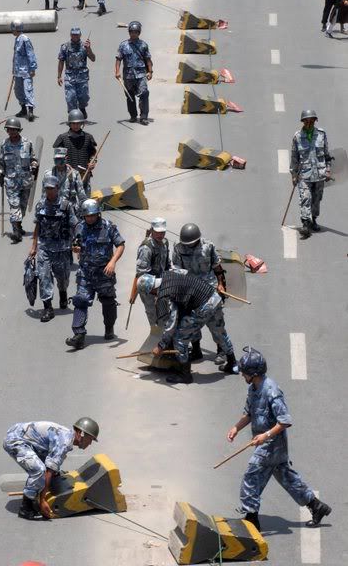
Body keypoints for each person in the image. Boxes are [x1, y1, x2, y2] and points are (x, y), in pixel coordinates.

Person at [227, 347, 331, 532]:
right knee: (286, 477)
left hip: (271, 445)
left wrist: (265, 436)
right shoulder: (253, 388)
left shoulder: (271, 390)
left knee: (251, 478)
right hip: (266, 444)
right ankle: (316, 506)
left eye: (244, 372)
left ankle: (251, 520)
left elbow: (285, 421)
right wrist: (236, 427)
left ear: (253, 373)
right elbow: (249, 413)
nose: (242, 375)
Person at [137, 269, 238, 384]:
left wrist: (161, 346)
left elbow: (171, 323)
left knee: (179, 339)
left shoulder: (165, 294)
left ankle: (185, 375)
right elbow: (185, 273)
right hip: (214, 297)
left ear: (151, 290)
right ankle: (232, 363)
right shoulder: (168, 274)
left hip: (203, 307)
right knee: (219, 332)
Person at [3, 417, 99, 520]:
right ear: (81, 433)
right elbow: (49, 470)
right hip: (15, 441)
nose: (90, 443)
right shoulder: (64, 442)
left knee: (52, 469)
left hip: (22, 436)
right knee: (40, 471)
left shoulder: (67, 436)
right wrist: (43, 500)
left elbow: (51, 462)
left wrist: (53, 474)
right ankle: (26, 508)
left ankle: (39, 489)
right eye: (90, 439)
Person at [66, 198, 125, 349]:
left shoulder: (108, 226)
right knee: (80, 300)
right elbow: (76, 243)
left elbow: (120, 245)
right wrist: (75, 248)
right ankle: (79, 335)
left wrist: (113, 262)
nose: (90, 218)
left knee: (108, 302)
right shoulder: (80, 227)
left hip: (104, 273)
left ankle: (109, 328)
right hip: (86, 272)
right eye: (87, 216)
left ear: (98, 214)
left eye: (93, 215)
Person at [172, 223, 230, 365]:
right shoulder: (178, 248)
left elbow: (217, 268)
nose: (189, 246)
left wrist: (221, 284)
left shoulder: (208, 246)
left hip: (210, 291)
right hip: (191, 292)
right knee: (191, 323)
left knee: (216, 322)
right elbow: (176, 269)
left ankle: (221, 351)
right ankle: (196, 350)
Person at [30, 176, 78, 321]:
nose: (49, 191)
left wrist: (77, 240)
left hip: (62, 249)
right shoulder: (40, 205)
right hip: (44, 247)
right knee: (44, 277)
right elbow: (37, 225)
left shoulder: (66, 205)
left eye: (52, 188)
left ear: (57, 188)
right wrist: (34, 246)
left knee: (62, 278)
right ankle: (48, 308)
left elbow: (75, 224)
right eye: (47, 188)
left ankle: (63, 293)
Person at [290, 109, 332, 239]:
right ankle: (305, 224)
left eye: (311, 121)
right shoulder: (297, 137)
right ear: (303, 122)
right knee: (305, 197)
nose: (309, 123)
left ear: (315, 121)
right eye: (306, 121)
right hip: (304, 174)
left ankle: (313, 220)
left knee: (316, 199)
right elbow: (294, 157)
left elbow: (327, 155)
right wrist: (294, 174)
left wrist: (328, 170)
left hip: (319, 174)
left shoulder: (321, 134)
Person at [0, 118, 38, 243]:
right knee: (14, 205)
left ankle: (19, 226)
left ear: (19, 130)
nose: (12, 132)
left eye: (14, 130)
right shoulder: (4, 144)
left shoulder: (27, 143)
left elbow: (33, 159)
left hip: (25, 180)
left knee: (22, 207)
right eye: (9, 130)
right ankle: (16, 232)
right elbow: (1, 161)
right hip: (11, 181)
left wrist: (34, 167)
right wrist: (1, 174)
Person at [115, 21, 153, 126]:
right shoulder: (123, 45)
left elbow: (148, 59)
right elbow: (118, 59)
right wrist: (117, 71)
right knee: (129, 96)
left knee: (144, 93)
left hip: (141, 74)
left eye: (136, 32)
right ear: (129, 32)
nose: (133, 34)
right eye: (132, 32)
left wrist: (150, 71)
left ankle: (144, 117)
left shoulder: (143, 45)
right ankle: (133, 115)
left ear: (139, 32)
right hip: (128, 75)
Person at [135, 218, 171, 327]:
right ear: (152, 230)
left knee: (165, 312)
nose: (160, 235)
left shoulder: (165, 243)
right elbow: (142, 274)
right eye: (157, 232)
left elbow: (167, 263)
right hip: (148, 287)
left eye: (162, 232)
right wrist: (155, 288)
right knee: (153, 314)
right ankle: (155, 332)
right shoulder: (146, 248)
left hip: (162, 283)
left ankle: (164, 332)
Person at [53, 109, 97, 195]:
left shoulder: (88, 137)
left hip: (84, 174)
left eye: (78, 123)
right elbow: (57, 159)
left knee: (84, 199)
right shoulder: (62, 138)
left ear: (82, 123)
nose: (76, 125)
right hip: (67, 176)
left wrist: (93, 162)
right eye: (73, 123)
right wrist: (63, 164)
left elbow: (93, 154)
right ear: (70, 124)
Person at [58, 28, 95, 119]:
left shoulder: (85, 46)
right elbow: (61, 61)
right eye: (73, 34)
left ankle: (82, 108)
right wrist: (59, 76)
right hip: (70, 76)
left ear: (80, 35)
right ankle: (73, 116)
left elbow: (93, 58)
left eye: (77, 35)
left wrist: (89, 49)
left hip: (82, 76)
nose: (75, 36)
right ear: (71, 35)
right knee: (70, 97)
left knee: (84, 97)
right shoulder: (65, 47)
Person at [42, 147, 87, 213]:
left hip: (70, 209)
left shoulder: (74, 174)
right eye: (56, 159)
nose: (58, 162)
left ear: (66, 158)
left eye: (61, 159)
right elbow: (44, 194)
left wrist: (85, 208)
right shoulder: (48, 174)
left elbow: (81, 194)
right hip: (53, 210)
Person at [11, 20, 37, 123]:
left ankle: (30, 111)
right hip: (18, 71)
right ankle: (23, 109)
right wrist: (13, 70)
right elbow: (16, 56)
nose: (12, 31)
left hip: (26, 71)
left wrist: (33, 68)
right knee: (18, 91)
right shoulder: (17, 39)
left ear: (16, 29)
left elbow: (30, 53)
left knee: (28, 90)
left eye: (13, 29)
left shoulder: (25, 39)